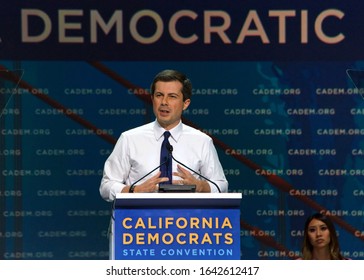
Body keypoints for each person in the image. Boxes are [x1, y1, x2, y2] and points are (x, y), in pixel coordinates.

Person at [99, 69, 228, 201]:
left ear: (185, 104)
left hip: (187, 219)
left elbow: (221, 185)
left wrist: (200, 186)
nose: (164, 102)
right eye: (159, 95)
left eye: (172, 96)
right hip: (139, 220)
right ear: (152, 99)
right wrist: (134, 190)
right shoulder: (129, 139)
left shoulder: (202, 141)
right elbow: (106, 186)